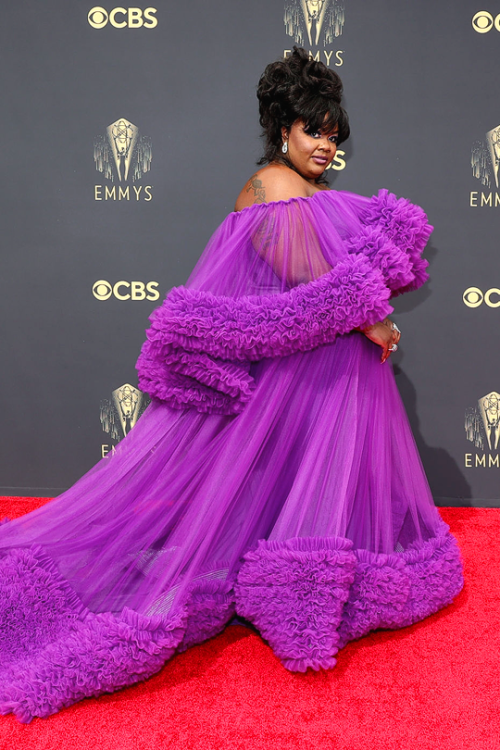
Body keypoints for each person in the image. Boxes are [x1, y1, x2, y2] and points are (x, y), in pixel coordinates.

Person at [0, 48, 463, 723]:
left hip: (314, 381)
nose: (327, 144)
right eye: (315, 129)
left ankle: (296, 584)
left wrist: (364, 319)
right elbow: (302, 273)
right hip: (292, 381)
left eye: (335, 133)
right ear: (284, 129)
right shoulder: (274, 185)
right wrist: (373, 322)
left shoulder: (316, 194)